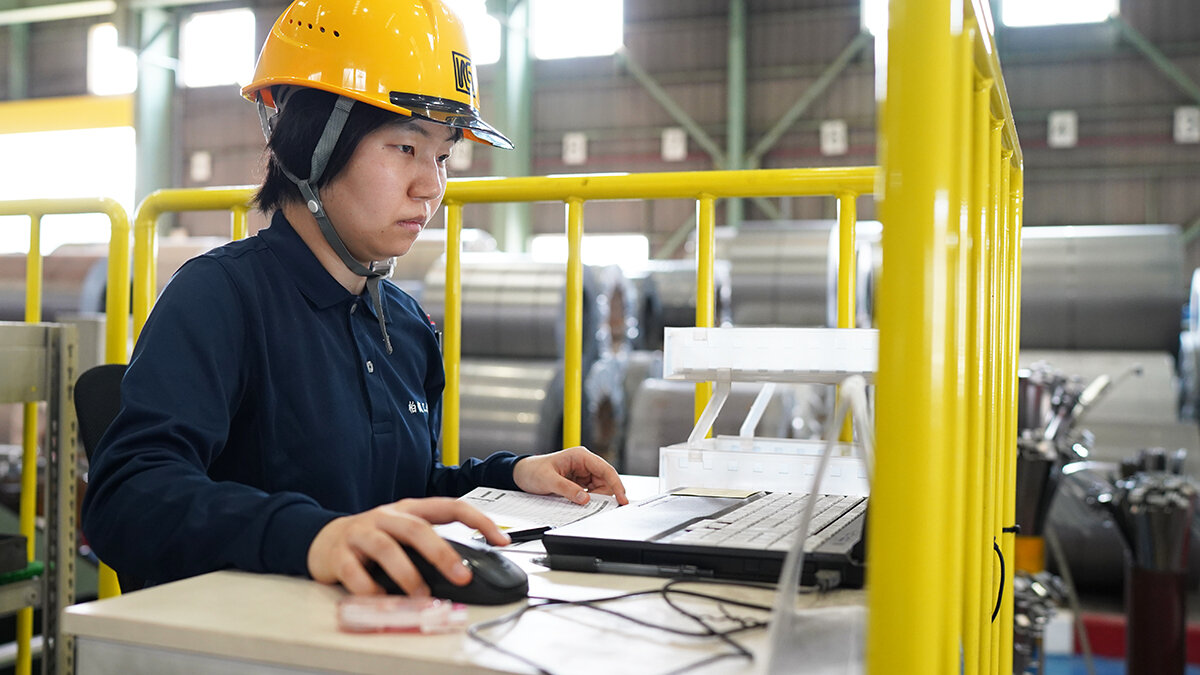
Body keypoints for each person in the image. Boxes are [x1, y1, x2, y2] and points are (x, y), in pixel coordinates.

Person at [80, 0, 627, 597]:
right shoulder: (221, 299)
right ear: (311, 145)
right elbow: (126, 498)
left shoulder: (405, 323)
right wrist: (315, 538)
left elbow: (394, 495)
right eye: (405, 148)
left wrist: (511, 476)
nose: (432, 187)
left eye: (443, 156)